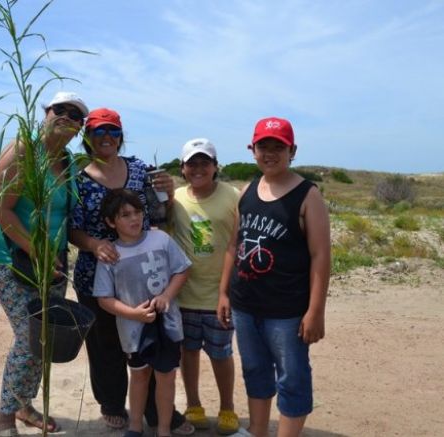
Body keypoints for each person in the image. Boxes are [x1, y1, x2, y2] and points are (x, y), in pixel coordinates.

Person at [69, 108, 194, 435]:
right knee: (105, 344)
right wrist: (95, 245)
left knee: (150, 343)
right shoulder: (77, 179)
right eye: (98, 132)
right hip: (97, 272)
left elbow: (159, 212)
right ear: (87, 138)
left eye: (112, 131)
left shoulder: (141, 170)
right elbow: (72, 229)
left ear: (121, 135)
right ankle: (112, 404)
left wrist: (169, 190)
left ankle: (156, 412)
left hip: (145, 273)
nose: (106, 137)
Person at [217, 117, 331, 437]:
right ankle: (256, 431)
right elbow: (233, 244)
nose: (270, 153)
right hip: (245, 304)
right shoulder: (247, 191)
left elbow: (321, 256)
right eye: (263, 146)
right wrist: (224, 293)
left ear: (291, 150)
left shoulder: (308, 195)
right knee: (255, 371)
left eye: (278, 146)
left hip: (287, 310)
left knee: (292, 377)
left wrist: (315, 310)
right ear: (252, 150)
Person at [0, 91, 85, 437]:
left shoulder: (69, 162)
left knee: (46, 337)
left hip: (51, 261)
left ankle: (25, 404)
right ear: (46, 112)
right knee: (28, 337)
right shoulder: (25, 150)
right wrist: (36, 249)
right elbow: (0, 206)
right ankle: (4, 417)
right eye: (61, 110)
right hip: (11, 255)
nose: (68, 118)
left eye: (76, 115)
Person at [93, 189, 192, 437]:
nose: (134, 219)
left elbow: (182, 270)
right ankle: (135, 427)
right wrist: (132, 313)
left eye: (137, 212)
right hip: (132, 330)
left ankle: (164, 429)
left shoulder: (161, 240)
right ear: (110, 221)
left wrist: (166, 296)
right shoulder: (110, 255)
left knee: (166, 377)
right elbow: (104, 298)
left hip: (167, 324)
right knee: (139, 376)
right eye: (125, 215)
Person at [168, 138, 241, 435]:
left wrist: (227, 292)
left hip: (219, 296)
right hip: (184, 295)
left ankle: (227, 408)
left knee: (221, 354)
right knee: (188, 352)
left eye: (204, 162)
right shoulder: (174, 200)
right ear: (183, 168)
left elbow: (237, 245)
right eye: (192, 163)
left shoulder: (234, 197)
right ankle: (194, 405)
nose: (198, 168)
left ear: (215, 166)